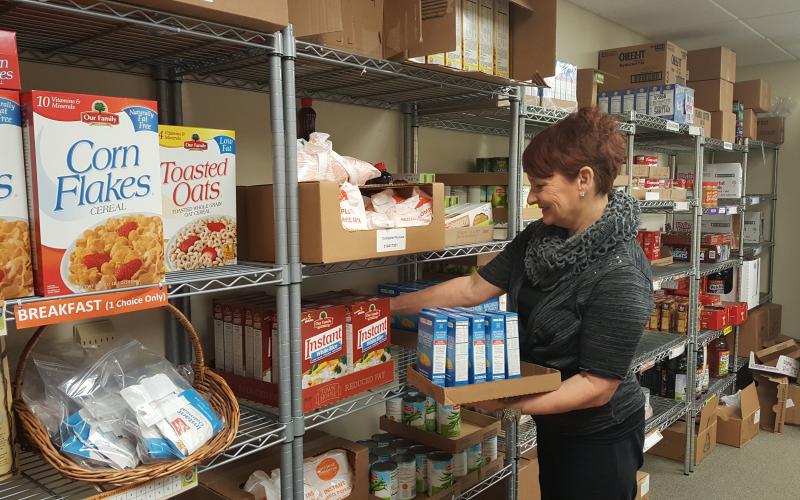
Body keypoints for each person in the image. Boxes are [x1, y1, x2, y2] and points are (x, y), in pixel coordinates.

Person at [390, 107, 653, 499]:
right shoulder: (541, 238)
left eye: (540, 185)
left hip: (601, 433)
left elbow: (597, 386)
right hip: (557, 420)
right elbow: (474, 288)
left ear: (583, 179)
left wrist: (508, 403)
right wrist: (387, 310)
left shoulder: (621, 272)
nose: (531, 197)